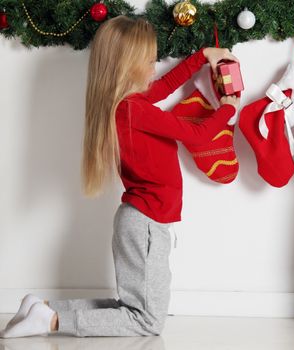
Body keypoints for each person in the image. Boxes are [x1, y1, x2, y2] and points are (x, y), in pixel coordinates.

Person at [1, 15, 239, 338]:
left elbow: (163, 87)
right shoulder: (133, 110)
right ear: (128, 66)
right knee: (147, 321)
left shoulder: (128, 104)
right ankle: (52, 321)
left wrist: (202, 57)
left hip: (141, 221)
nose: (155, 67)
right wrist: (227, 108)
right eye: (150, 61)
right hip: (146, 225)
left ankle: (41, 307)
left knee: (129, 306)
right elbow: (196, 136)